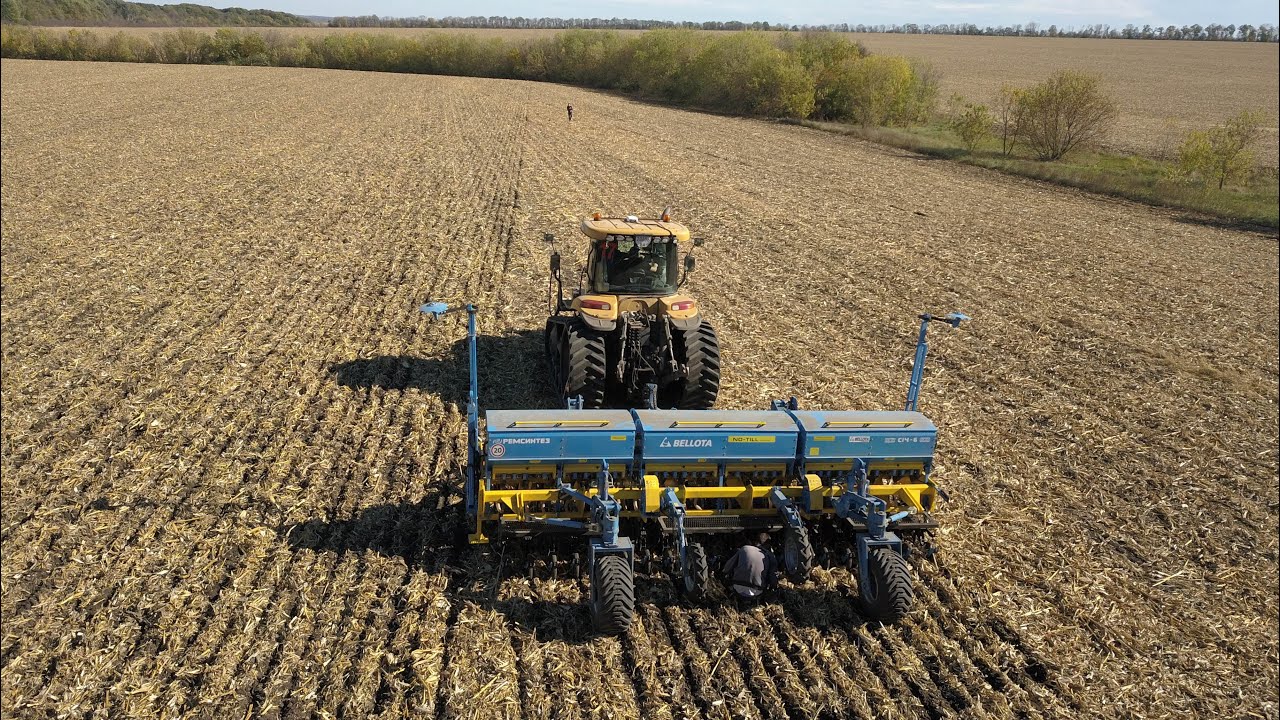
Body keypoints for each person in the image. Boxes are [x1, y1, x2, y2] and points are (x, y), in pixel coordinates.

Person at [722, 531, 778, 607]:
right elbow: (773, 579)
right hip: (756, 591)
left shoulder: (744, 549)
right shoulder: (769, 556)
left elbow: (726, 569)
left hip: (737, 587)